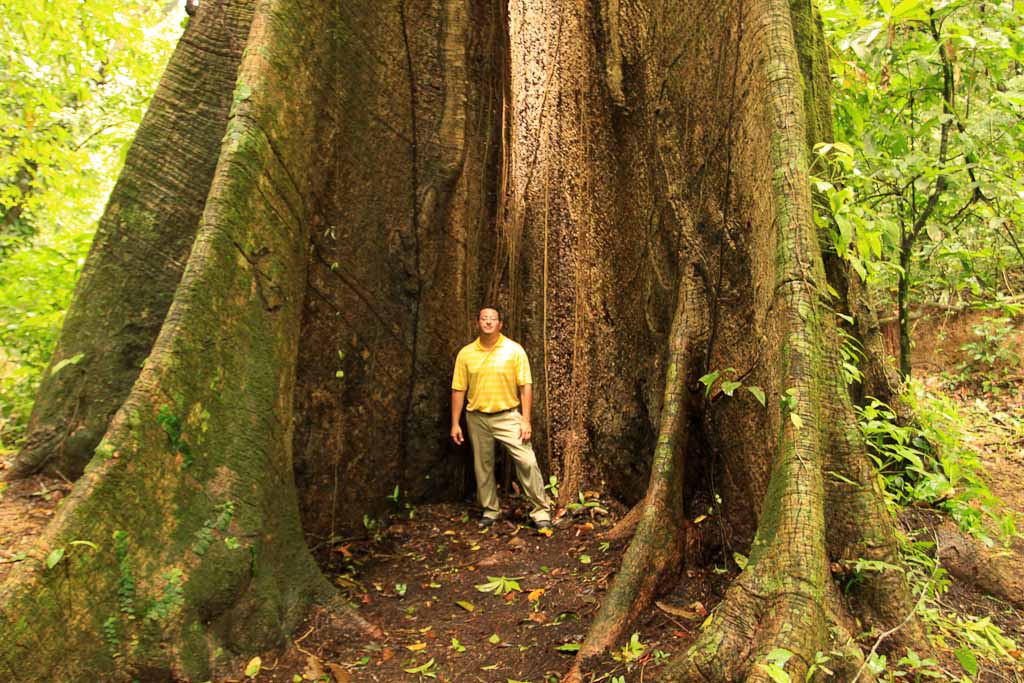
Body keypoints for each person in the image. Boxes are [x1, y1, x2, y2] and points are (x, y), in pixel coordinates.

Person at [450, 306, 552, 529]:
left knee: (527, 461)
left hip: (508, 416)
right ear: (477, 323)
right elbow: (459, 389)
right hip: (477, 417)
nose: (488, 322)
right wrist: (455, 423)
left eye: (493, 318)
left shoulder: (514, 350)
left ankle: (541, 510)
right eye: (484, 318)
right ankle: (490, 509)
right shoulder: (466, 354)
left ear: (500, 324)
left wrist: (526, 420)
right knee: (483, 466)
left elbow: (525, 386)